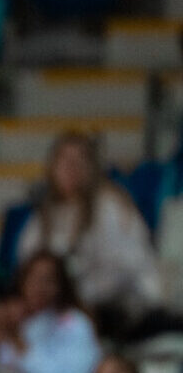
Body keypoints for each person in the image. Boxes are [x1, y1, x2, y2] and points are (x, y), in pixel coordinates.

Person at [16, 130, 162, 332]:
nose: (71, 168)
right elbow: (27, 264)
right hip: (58, 310)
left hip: (113, 311)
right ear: (53, 167)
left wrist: (79, 298)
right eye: (64, 161)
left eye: (78, 161)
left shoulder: (111, 208)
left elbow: (127, 270)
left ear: (91, 167)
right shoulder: (43, 216)